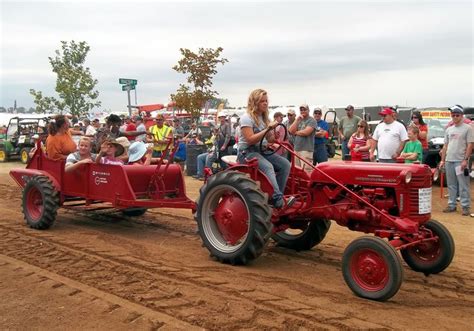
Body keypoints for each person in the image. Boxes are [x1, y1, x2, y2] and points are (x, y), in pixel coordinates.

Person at [238, 88, 294, 209]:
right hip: (247, 153)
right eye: (262, 101)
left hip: (261, 151)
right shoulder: (246, 118)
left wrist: (274, 136)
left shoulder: (264, 119)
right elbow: (250, 139)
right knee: (268, 166)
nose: (265, 103)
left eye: (266, 101)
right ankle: (278, 200)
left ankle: (277, 196)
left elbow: (269, 139)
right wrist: (268, 129)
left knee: (285, 164)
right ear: (254, 103)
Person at [439, 105, 473, 216]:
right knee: (451, 184)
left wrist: (465, 159)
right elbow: (445, 145)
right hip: (449, 160)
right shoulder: (449, 129)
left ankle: (465, 206)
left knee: (463, 184)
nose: (455, 117)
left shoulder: (468, 128)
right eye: (453, 115)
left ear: (462, 116)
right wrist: (442, 160)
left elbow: (470, 145)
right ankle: (452, 205)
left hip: (460, 160)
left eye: (457, 115)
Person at [288, 104, 317, 171]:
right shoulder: (299, 120)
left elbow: (306, 132)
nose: (303, 111)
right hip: (296, 149)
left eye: (304, 109)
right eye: (301, 110)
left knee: (306, 170)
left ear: (308, 110)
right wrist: (297, 120)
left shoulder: (312, 120)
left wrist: (295, 132)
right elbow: (290, 130)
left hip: (306, 150)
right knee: (296, 170)